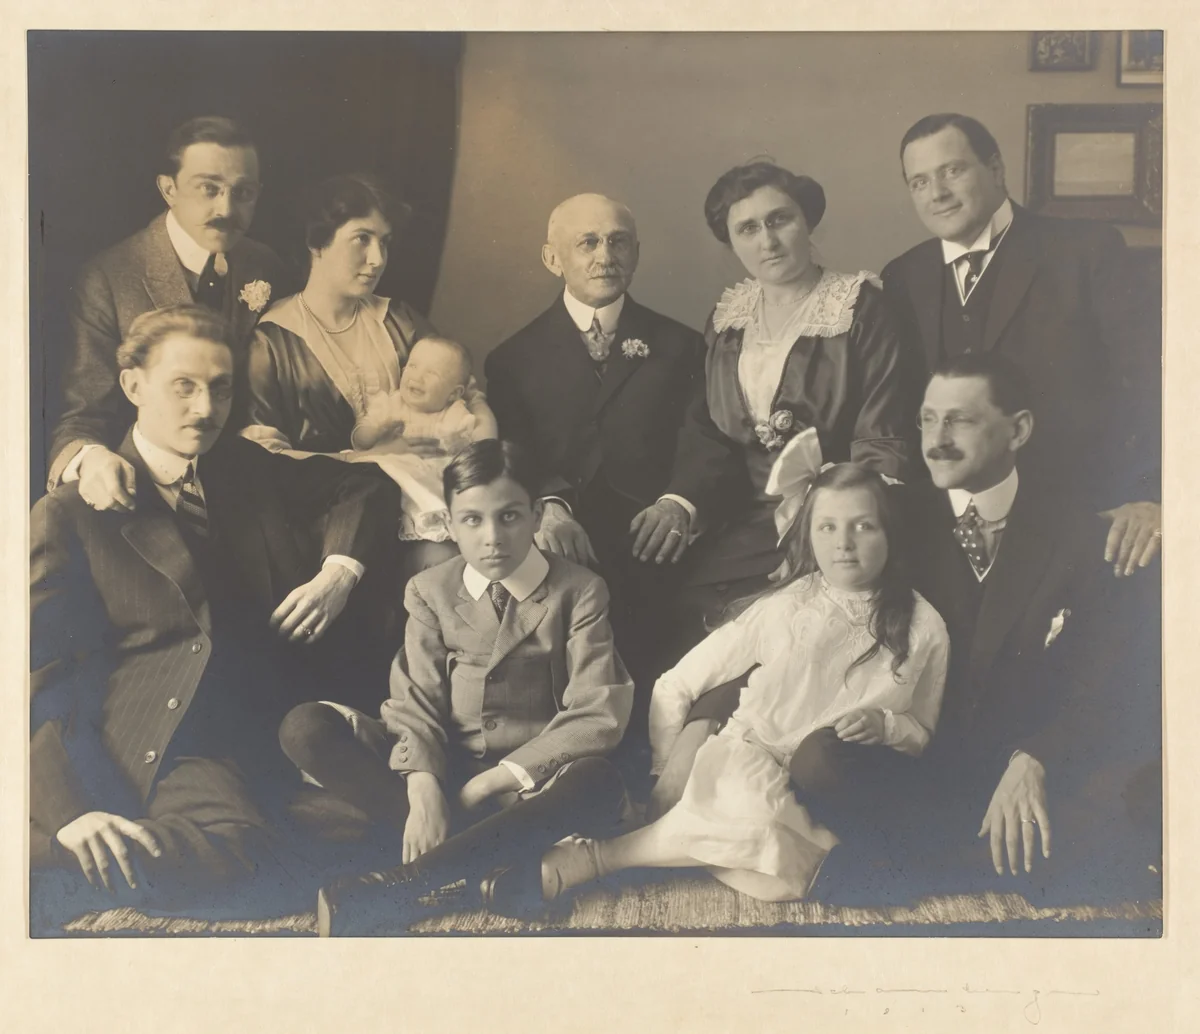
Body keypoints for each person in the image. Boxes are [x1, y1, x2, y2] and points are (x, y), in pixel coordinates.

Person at [29, 305, 400, 933]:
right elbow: (37, 678)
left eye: (220, 388)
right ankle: (53, 861)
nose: (205, 408)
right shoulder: (70, 513)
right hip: (171, 744)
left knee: (376, 820)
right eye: (184, 386)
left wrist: (339, 573)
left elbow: (364, 485)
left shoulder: (242, 467)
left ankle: (105, 858)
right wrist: (68, 812)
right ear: (132, 386)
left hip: (265, 730)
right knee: (254, 858)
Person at [501, 463, 948, 907]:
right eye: (827, 527)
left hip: (826, 788)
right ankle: (608, 855)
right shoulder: (785, 605)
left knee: (788, 876)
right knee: (765, 831)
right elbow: (675, 684)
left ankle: (612, 852)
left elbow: (923, 730)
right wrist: (665, 776)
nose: (844, 544)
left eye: (863, 526)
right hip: (746, 759)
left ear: (889, 531)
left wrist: (887, 726)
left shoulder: (926, 627)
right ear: (808, 533)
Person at [276, 439, 634, 936]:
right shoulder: (429, 589)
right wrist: (423, 786)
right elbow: (414, 698)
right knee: (304, 727)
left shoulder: (579, 590)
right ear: (447, 523)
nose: (492, 538)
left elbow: (598, 712)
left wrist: (490, 782)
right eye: (472, 520)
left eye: (509, 517)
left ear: (536, 517)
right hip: (447, 772)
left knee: (598, 781)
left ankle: (401, 885)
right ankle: (491, 858)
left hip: (528, 784)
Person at [896, 353, 1160, 901]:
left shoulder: (1083, 534)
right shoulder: (895, 524)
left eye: (960, 420)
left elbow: (1105, 682)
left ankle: (930, 861)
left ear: (1017, 430)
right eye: (927, 419)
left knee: (1140, 800)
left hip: (1035, 766)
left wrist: (1035, 755)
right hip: (926, 767)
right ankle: (986, 858)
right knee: (824, 761)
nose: (936, 440)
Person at [883, 112, 1161, 578]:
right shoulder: (903, 277)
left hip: (1083, 513)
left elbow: (1155, 385)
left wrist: (1149, 492)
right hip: (952, 529)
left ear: (996, 170)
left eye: (952, 171)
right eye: (919, 182)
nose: (938, 194)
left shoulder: (1085, 251)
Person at [652, 161, 916, 637]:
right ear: (731, 241)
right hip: (741, 521)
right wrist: (682, 503)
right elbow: (708, 431)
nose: (767, 241)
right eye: (747, 228)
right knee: (683, 611)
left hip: (839, 523)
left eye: (780, 219)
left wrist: (821, 533)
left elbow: (882, 436)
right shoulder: (728, 317)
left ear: (807, 220)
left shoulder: (859, 308)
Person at [484, 193, 707, 732]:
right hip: (566, 534)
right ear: (552, 258)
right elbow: (512, 449)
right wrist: (548, 507)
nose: (604, 255)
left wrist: (678, 504)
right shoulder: (513, 358)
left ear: (636, 253)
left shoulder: (681, 345)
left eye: (618, 241)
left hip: (655, 536)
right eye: (587, 242)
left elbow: (704, 438)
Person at [243, 173, 497, 569]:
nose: (378, 258)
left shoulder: (401, 320)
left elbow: (467, 398)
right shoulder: (272, 341)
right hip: (331, 524)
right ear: (317, 242)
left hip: (429, 503)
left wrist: (472, 457)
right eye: (362, 238)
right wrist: (367, 460)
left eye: (385, 242)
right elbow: (263, 458)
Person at [48, 115, 288, 511]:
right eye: (208, 189)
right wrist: (91, 458)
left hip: (246, 491)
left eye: (243, 193)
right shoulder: (108, 277)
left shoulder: (264, 266)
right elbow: (81, 418)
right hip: (149, 494)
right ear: (169, 188)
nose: (226, 209)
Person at [350, 335, 497, 542]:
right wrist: (376, 430)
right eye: (412, 366)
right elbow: (360, 441)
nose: (417, 377)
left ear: (454, 394)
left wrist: (459, 442)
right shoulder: (391, 404)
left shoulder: (455, 412)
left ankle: (430, 523)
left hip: (431, 477)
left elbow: (479, 444)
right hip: (390, 473)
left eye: (431, 373)